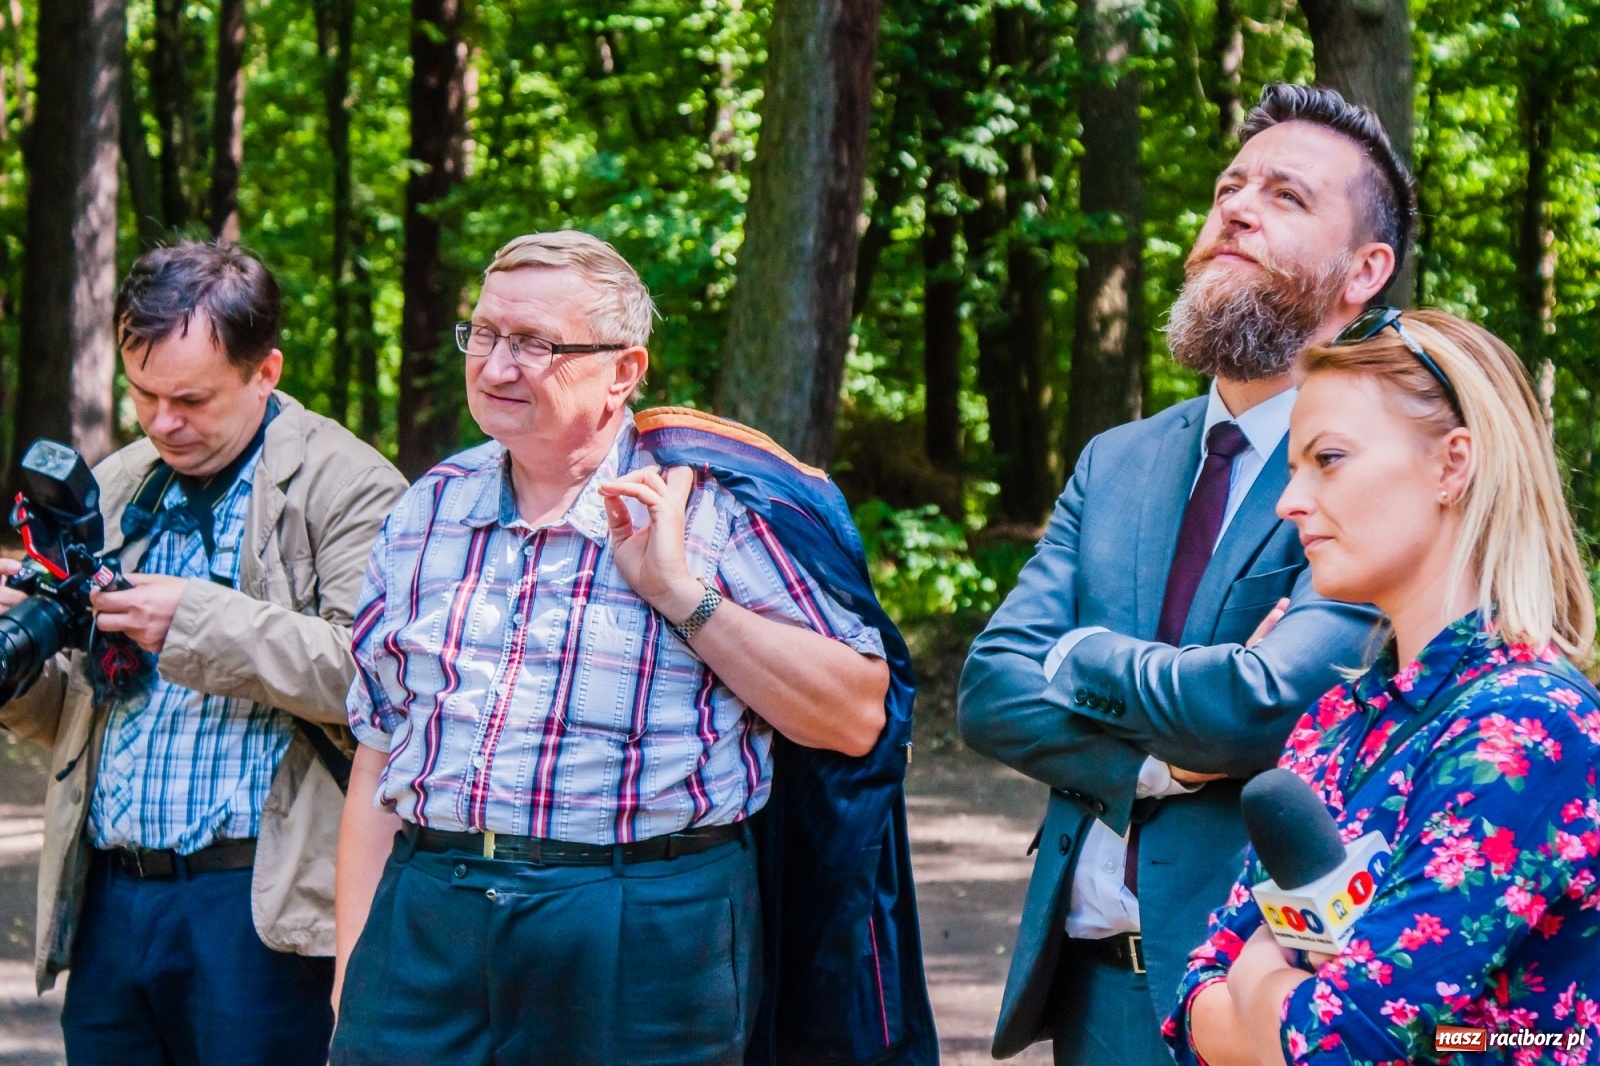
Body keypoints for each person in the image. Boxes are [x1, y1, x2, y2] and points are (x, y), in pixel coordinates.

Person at [330, 231, 905, 1066]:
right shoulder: (427, 507)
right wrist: (355, 970)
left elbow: (857, 716)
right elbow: (378, 753)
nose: (495, 367)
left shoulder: (714, 507)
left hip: (642, 926)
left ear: (624, 371)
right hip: (428, 917)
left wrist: (681, 594)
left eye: (534, 345)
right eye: (485, 335)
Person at [958, 83, 1408, 1065]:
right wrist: (1156, 764)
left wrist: (1077, 655)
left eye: (1285, 197)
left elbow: (1252, 709)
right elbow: (990, 688)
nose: (1235, 208)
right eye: (1227, 189)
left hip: (1261, 988)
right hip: (1084, 989)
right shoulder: (1114, 460)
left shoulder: (1381, 465)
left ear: (1363, 269)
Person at [0, 241, 407, 1065]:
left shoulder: (351, 486)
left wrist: (192, 621)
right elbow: (76, 717)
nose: (160, 423)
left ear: (266, 372)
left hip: (259, 908)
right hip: (112, 896)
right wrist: (15, 668)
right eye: (142, 393)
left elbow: (380, 681)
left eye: (190, 399)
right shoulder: (117, 484)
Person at [1166, 309, 1600, 1065]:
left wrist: (1259, 982)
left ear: (1452, 464)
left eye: (1326, 459)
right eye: (1292, 468)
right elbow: (1190, 1007)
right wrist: (1280, 1012)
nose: (1288, 501)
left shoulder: (1529, 728)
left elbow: (1342, 1042)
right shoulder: (1338, 718)